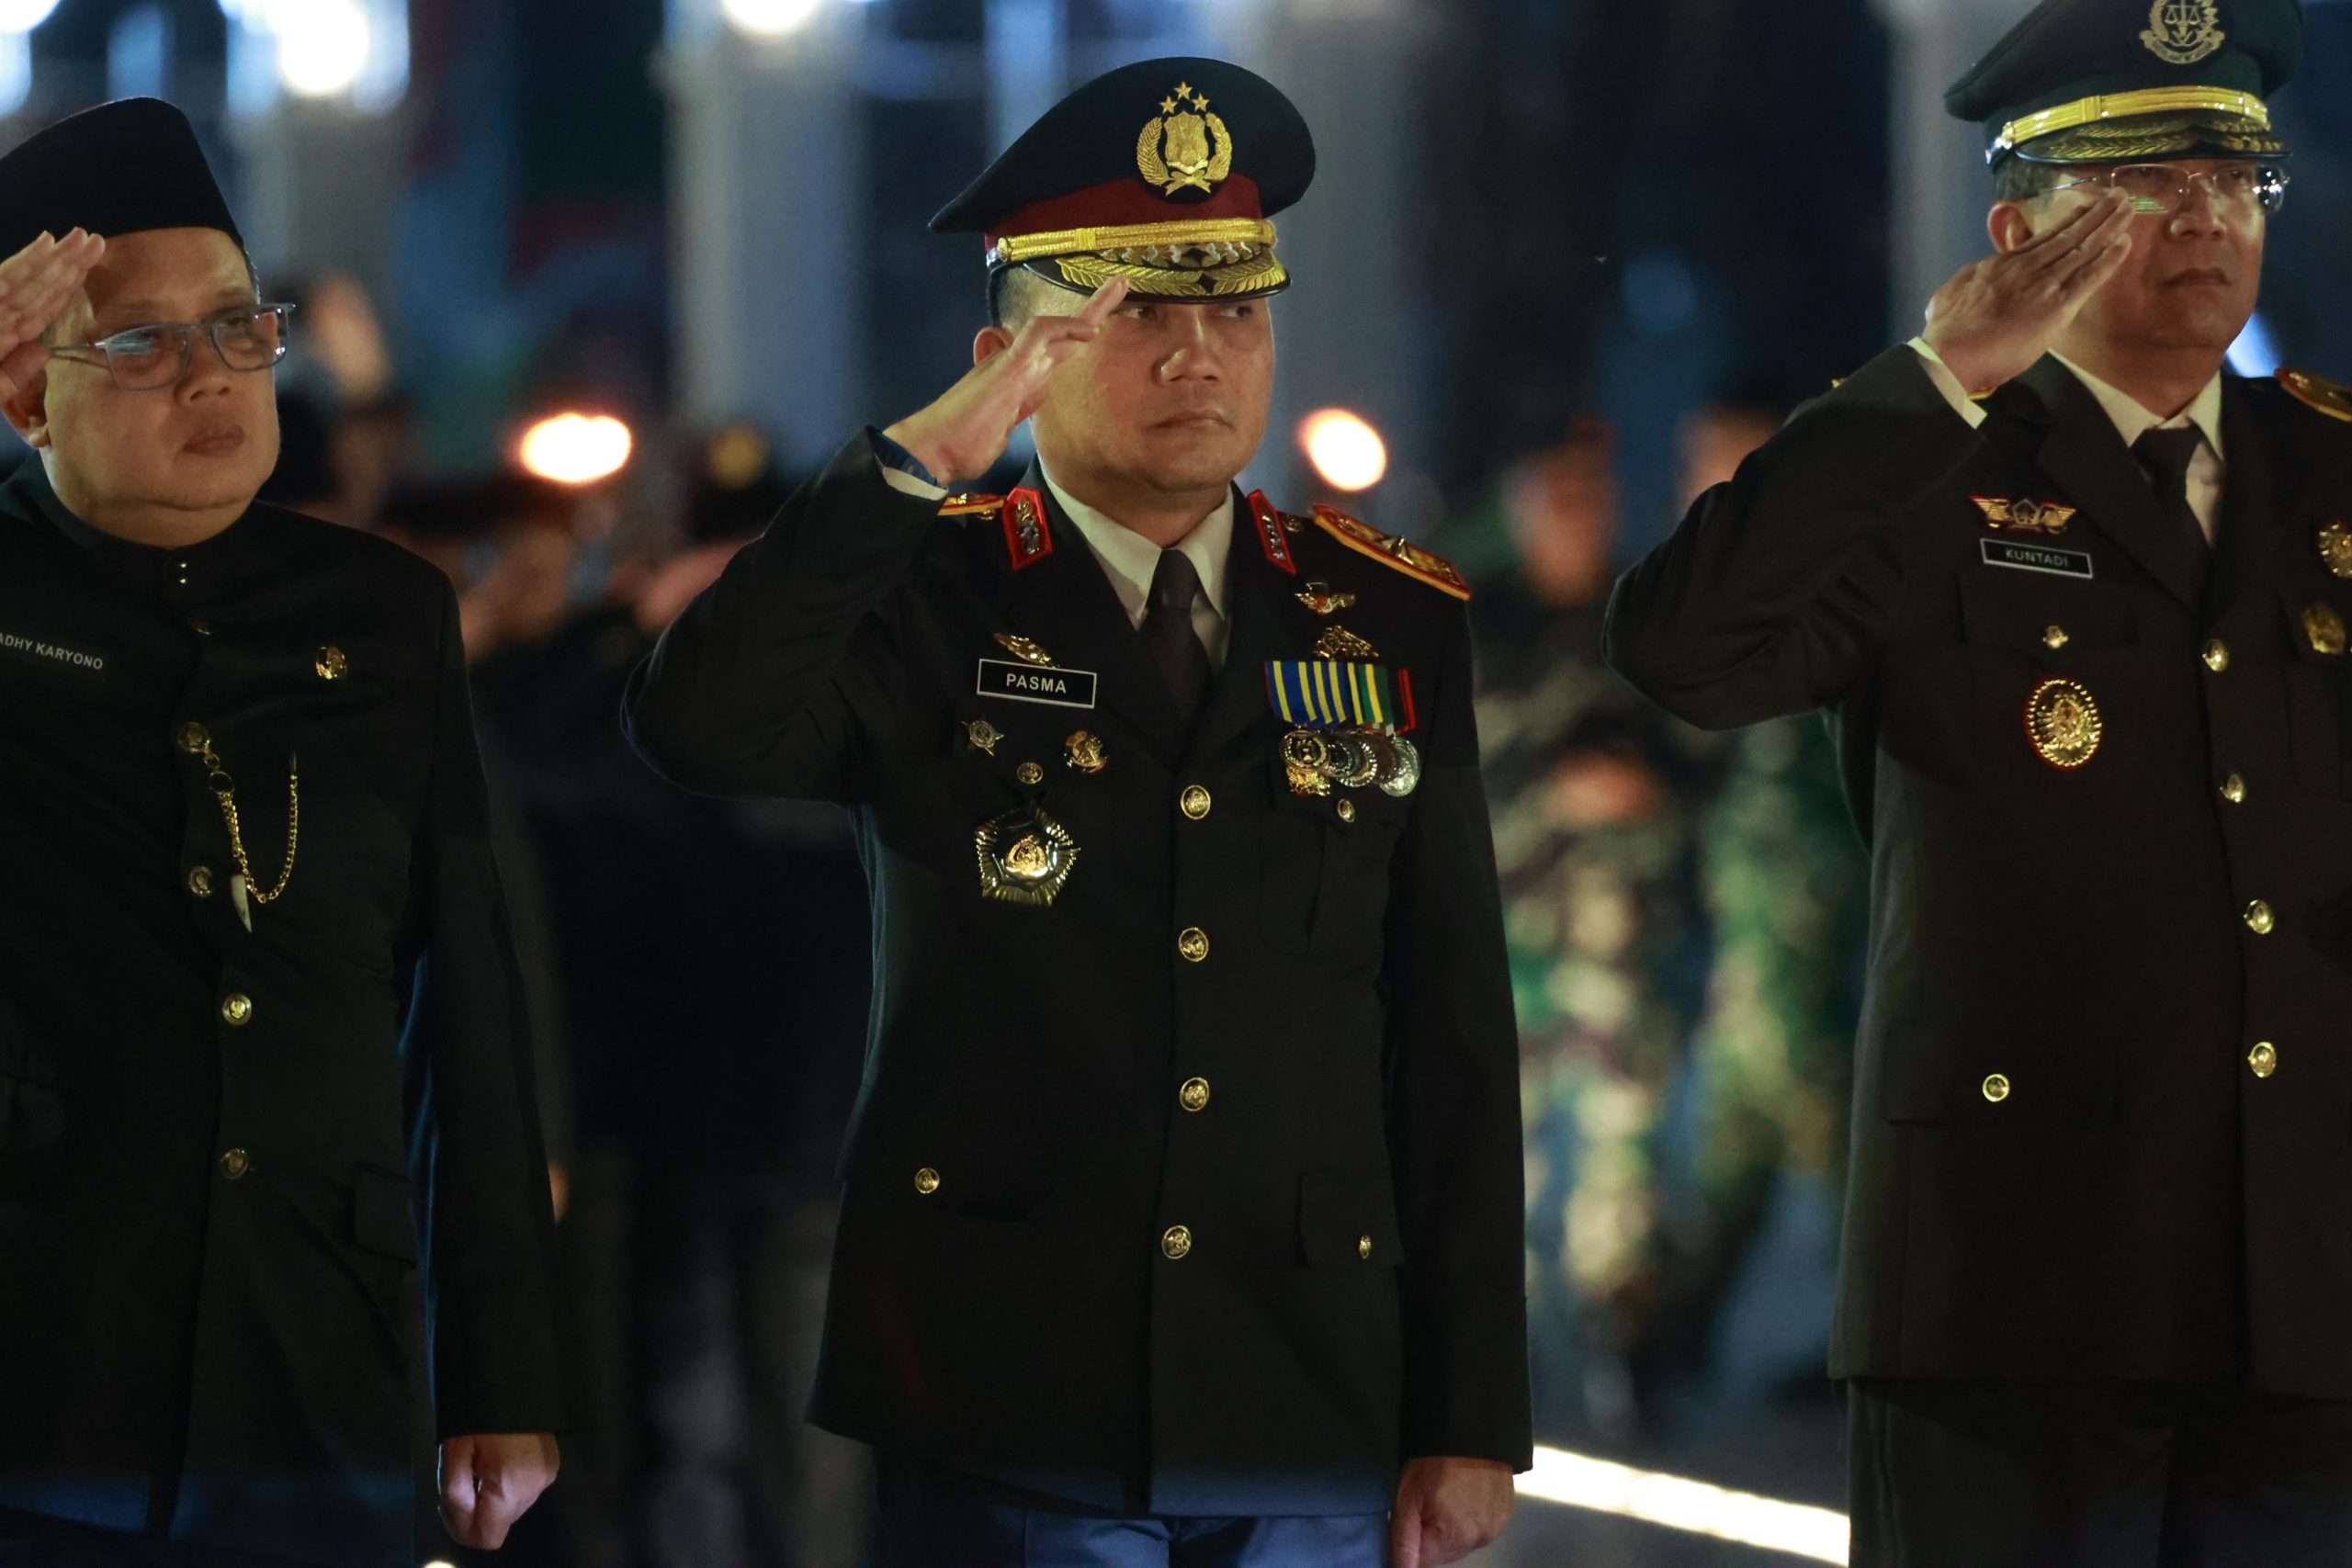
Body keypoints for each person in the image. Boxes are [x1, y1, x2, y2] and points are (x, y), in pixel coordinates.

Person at [624, 57, 1529, 1568]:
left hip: (1307, 1372)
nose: (1198, 357)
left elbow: (1451, 1036)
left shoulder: (1384, 617)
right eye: (1135, 314)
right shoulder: (924, 589)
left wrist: (1472, 1407)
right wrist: (921, 463)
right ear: (1013, 358)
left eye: (1235, 312)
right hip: (1010, 1376)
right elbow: (696, 725)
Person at [1605, 0, 2352, 1560]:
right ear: (2019, 235)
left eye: (2233, 178)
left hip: (2302, 1286)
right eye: (2145, 181)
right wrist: (1936, 374)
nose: (2204, 216)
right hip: (2017, 1282)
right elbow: (1685, 651)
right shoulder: (1928, 465)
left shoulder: (2331, 475)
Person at [0, 98, 564, 1567]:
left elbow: (464, 1000)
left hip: (321, 1351)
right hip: (50, 1357)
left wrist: (502, 1373)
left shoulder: (380, 612)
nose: (209, 375)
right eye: (140, 341)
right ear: (26, 393)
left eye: (239, 326)